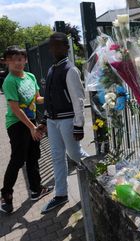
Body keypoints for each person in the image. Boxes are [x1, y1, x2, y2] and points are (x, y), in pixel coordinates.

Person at [0, 46, 53, 214]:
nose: (17, 62)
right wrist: (32, 128)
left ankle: (36, 190)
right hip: (16, 124)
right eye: (13, 59)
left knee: (33, 156)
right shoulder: (9, 81)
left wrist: (51, 97)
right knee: (18, 159)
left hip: (30, 121)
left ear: (25, 60)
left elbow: (37, 99)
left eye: (20, 59)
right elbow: (15, 108)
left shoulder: (30, 76)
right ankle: (6, 196)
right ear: (6, 61)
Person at [41, 32, 89, 214]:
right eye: (52, 45)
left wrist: (79, 125)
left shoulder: (70, 69)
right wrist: (45, 120)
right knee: (56, 156)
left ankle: (97, 174)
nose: (54, 48)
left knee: (75, 153)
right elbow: (49, 98)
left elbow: (78, 100)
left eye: (58, 45)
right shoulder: (52, 68)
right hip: (53, 121)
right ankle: (61, 194)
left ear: (66, 47)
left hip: (68, 119)